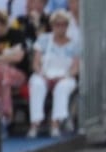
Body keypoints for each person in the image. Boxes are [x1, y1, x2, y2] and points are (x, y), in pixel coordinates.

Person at [26, 9, 78, 137]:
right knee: (37, 85)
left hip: (65, 76)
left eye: (63, 24)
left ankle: (55, 124)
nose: (60, 27)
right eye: (57, 24)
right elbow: (36, 63)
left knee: (62, 88)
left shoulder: (74, 44)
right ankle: (35, 124)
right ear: (52, 25)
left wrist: (65, 76)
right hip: (44, 74)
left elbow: (76, 67)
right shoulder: (43, 40)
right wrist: (42, 75)